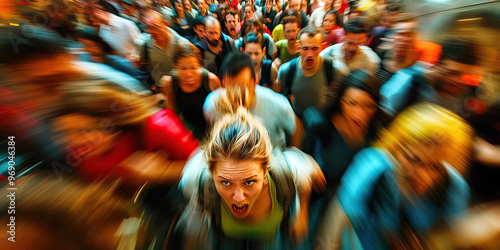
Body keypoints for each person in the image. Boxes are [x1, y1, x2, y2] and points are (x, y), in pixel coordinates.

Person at [315, 103, 473, 249]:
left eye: (435, 166)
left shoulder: (453, 187)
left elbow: (450, 239)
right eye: (413, 159)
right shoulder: (372, 167)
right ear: (396, 148)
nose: (423, 176)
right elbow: (334, 227)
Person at [175, 106, 322, 248]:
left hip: (269, 237)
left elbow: (305, 173)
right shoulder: (193, 178)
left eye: (249, 182)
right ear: (211, 172)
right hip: (226, 237)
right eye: (226, 182)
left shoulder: (286, 172)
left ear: (265, 171)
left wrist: (302, 213)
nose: (238, 198)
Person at [52, 80, 198, 186]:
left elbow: (206, 169)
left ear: (112, 123)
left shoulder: (158, 127)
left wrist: (164, 171)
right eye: (64, 132)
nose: (73, 141)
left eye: (86, 131)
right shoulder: (75, 153)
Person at [380, 37, 483, 118]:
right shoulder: (408, 82)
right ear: (435, 66)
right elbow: (381, 117)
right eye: (452, 73)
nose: (457, 81)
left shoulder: (466, 94)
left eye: (465, 76)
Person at [161, 43, 221, 140]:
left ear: (199, 65)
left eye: (193, 67)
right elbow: (172, 109)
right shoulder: (171, 83)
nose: (188, 74)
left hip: (212, 128)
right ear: (175, 66)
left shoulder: (211, 80)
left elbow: (222, 108)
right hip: (188, 129)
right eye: (183, 68)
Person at [277, 25, 335, 117]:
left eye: (314, 48)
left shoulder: (332, 68)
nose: (310, 54)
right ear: (298, 47)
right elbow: (278, 99)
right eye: (305, 48)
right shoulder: (286, 70)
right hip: (296, 120)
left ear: (322, 47)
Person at [137, 9, 191, 88]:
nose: (152, 32)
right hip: (159, 88)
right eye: (148, 28)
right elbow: (145, 64)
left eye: (155, 27)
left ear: (165, 24)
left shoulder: (182, 44)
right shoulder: (146, 43)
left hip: (179, 88)